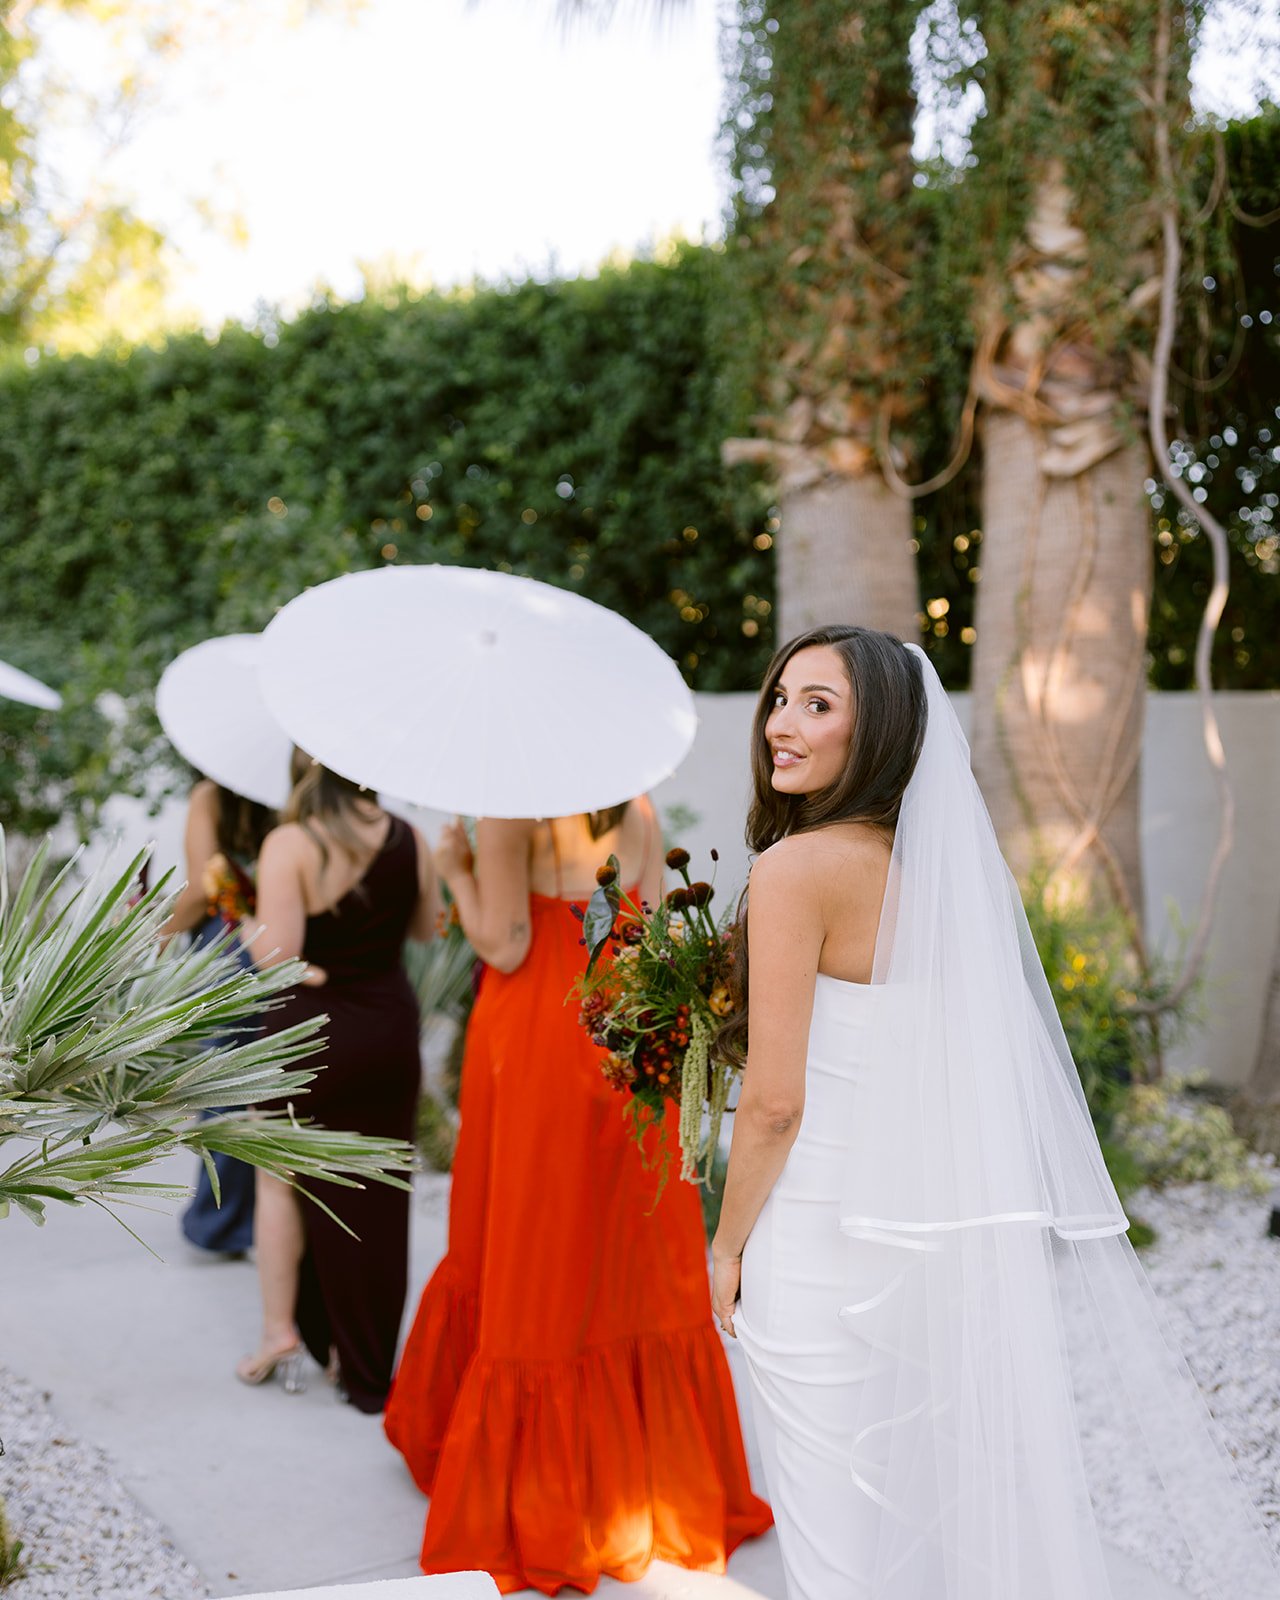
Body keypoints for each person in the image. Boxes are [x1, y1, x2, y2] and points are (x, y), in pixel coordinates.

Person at [710, 624, 1280, 1600]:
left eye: (817, 704)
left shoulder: (793, 870)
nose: (780, 724)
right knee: (912, 1514)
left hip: (811, 1241)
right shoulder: (933, 877)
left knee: (833, 1538)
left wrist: (726, 1247)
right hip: (917, 1245)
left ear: (877, 732)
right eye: (779, 698)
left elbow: (772, 1104)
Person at [384, 801, 771, 1595]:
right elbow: (656, 927)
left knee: (532, 1246)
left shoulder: (510, 813)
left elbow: (505, 942)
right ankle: (651, 1485)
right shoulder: (638, 805)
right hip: (627, 1030)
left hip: (538, 1032)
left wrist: (455, 866)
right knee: (626, 1248)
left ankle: (545, 1497)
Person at [235, 751, 438, 1412]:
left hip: (309, 1033)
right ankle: (362, 1362)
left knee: (280, 1180)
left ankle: (281, 1332)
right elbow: (426, 930)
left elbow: (282, 958)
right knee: (377, 1191)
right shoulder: (411, 837)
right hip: (387, 1031)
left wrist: (244, 921)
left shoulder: (292, 842)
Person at [163, 777, 276, 1256]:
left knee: (227, 1088)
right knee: (271, 1083)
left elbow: (201, 889)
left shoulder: (212, 794)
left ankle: (221, 1223)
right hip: (280, 940)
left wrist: (155, 929)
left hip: (229, 947)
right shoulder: (288, 791)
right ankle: (265, 1219)